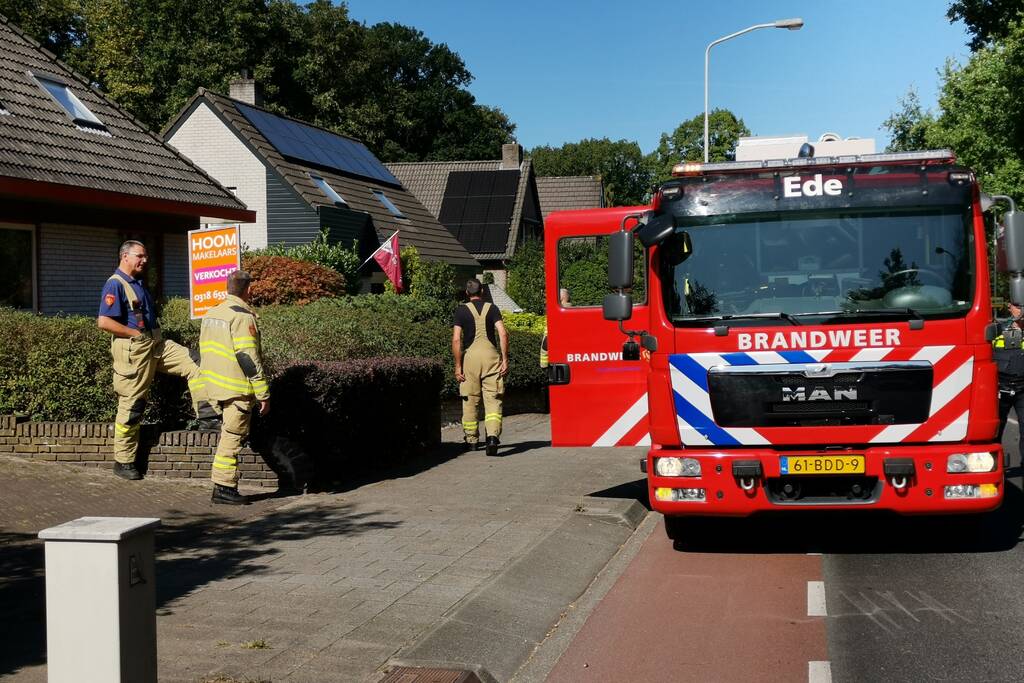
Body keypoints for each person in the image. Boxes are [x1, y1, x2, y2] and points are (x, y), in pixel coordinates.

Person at [97, 240, 218, 481]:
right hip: (136, 350)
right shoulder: (115, 284)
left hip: (156, 345)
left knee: (196, 362)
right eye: (140, 256)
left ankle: (209, 418)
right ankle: (123, 461)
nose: (145, 260)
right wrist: (135, 334)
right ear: (125, 257)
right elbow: (104, 322)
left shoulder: (138, 282)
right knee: (132, 407)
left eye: (146, 256)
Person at [198, 270, 270, 504]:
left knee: (227, 436)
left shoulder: (211, 313)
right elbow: (248, 358)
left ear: (227, 287)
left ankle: (223, 486)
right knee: (232, 438)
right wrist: (263, 392)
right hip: (236, 389)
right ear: (248, 290)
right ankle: (224, 488)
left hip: (212, 385)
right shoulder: (242, 317)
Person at [453, 279, 509, 456]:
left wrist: (458, 366)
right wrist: (505, 359)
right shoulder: (492, 308)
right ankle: (492, 437)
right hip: (491, 357)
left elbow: (456, 340)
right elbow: (503, 333)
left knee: (470, 400)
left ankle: (472, 441)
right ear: (482, 291)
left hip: (470, 359)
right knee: (493, 399)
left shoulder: (461, 311)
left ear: (467, 293)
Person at [994, 301, 1024, 465]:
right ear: (1009, 307)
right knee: (995, 429)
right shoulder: (998, 328)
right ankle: (992, 463)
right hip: (1000, 387)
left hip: (1022, 388)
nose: (1020, 310)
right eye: (1017, 307)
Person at [539, 288, 570, 369]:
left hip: (556, 361)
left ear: (561, 297)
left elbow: (547, 340)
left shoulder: (557, 313)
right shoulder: (569, 311)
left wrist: (544, 364)